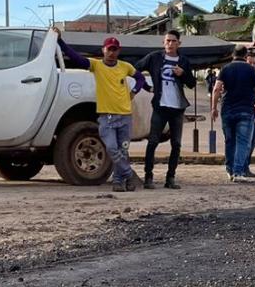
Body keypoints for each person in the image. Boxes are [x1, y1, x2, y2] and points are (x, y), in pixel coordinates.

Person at [57, 30, 139, 191]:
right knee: (111, 148)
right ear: (103, 50)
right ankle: (129, 174)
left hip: (124, 115)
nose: (111, 53)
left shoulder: (125, 66)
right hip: (106, 117)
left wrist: (134, 91)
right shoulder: (97, 65)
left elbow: (140, 78)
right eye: (109, 49)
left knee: (123, 150)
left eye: (114, 49)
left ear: (118, 51)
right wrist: (60, 42)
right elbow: (76, 58)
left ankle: (118, 181)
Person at [132, 29, 195, 189]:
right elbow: (134, 70)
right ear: (163, 42)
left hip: (177, 108)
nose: (170, 44)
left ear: (179, 43)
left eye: (173, 41)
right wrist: (146, 86)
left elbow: (192, 83)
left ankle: (171, 178)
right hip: (160, 106)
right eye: (168, 41)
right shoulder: (154, 57)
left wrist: (182, 74)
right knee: (153, 142)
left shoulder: (184, 61)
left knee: (176, 144)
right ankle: (148, 177)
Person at [211, 45, 255, 181]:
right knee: (242, 142)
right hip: (246, 110)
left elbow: (216, 90)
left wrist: (213, 108)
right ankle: (238, 172)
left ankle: (229, 170)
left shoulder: (225, 69)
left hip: (227, 110)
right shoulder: (250, 70)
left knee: (230, 141)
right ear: (245, 56)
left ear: (233, 55)